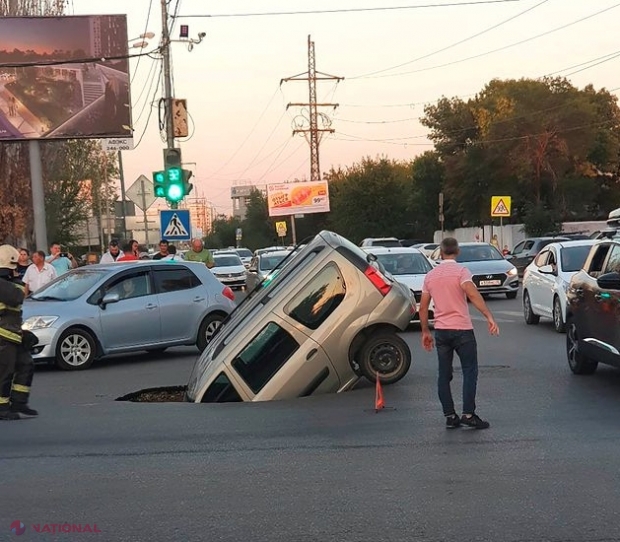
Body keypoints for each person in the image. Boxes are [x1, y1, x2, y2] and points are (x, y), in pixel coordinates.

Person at [418, 237, 499, 430]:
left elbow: (422, 308)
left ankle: (450, 416)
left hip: (442, 331)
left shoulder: (431, 275)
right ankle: (468, 414)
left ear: (440, 251)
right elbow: (472, 293)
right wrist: (488, 316)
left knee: (444, 375)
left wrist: (425, 331)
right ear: (458, 251)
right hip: (462, 330)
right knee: (470, 371)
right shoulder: (461, 272)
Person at [0, 244, 38, 420]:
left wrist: (23, 333)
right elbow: (16, 297)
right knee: (5, 372)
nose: (16, 272)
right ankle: (2, 408)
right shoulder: (5, 285)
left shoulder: (9, 284)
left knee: (26, 364)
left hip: (12, 333)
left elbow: (17, 300)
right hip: (3, 336)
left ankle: (19, 402)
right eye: (13, 268)